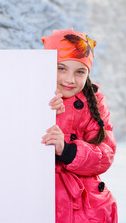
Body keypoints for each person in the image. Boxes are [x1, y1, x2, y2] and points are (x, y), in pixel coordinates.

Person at [41, 28, 118, 223]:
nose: (69, 79)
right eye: (61, 68)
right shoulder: (32, 95)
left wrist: (67, 150)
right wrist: (47, 115)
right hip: (44, 198)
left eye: (80, 71)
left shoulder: (95, 101)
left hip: (85, 207)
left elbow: (106, 152)